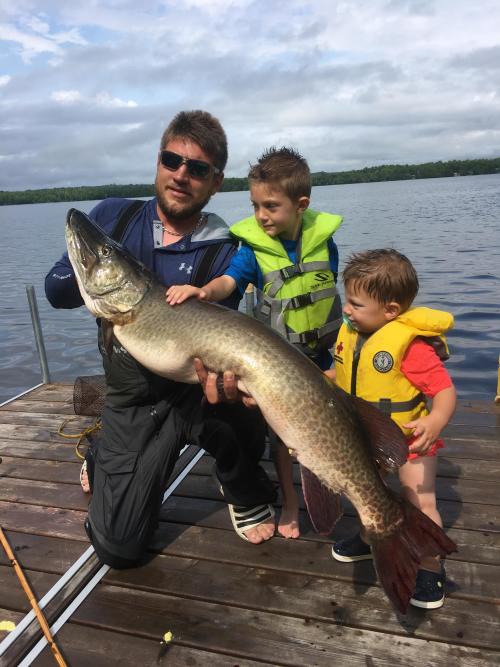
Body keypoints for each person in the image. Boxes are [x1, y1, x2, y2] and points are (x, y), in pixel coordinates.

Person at [44, 110, 278, 567]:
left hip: (196, 390)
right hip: (133, 399)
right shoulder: (114, 216)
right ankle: (103, 453)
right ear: (158, 162)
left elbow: (217, 339)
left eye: (198, 169)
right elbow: (55, 291)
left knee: (246, 404)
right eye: (172, 160)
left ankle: (240, 484)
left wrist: (229, 382)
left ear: (215, 182)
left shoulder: (225, 248)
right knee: (120, 548)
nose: (181, 174)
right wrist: (99, 275)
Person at [166, 146, 343, 538]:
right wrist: (204, 292)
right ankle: (291, 504)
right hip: (276, 364)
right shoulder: (253, 252)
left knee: (330, 429)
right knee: (281, 439)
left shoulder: (324, 244)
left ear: (301, 205)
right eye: (255, 206)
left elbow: (328, 295)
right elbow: (229, 281)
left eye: (271, 206)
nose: (261, 216)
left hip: (321, 357)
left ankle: (329, 492)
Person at [330, 248, 456, 609]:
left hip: (411, 439)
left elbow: (444, 391)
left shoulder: (411, 348)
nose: (347, 310)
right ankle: (371, 540)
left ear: (391, 311)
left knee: (419, 496)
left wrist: (435, 420)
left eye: (355, 304)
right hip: (367, 436)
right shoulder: (351, 335)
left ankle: (430, 564)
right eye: (347, 301)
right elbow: (341, 375)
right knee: (367, 490)